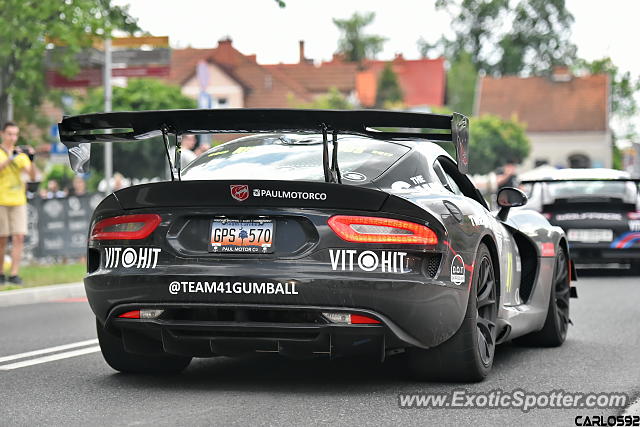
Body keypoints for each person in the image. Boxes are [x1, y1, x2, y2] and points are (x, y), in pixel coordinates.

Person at [0, 122, 36, 285]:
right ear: (2, 134)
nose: (13, 138)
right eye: (9, 134)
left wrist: (31, 159)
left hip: (18, 201)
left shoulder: (20, 155)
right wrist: (11, 157)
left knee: (19, 237)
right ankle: (1, 273)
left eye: (15, 134)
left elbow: (33, 176)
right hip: (1, 200)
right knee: (2, 239)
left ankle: (14, 274)